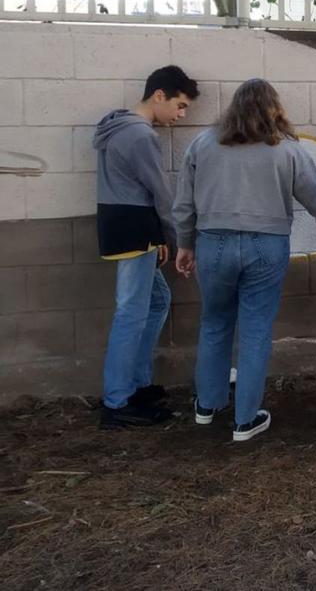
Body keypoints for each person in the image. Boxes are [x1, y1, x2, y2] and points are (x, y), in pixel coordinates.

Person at [173, 79, 316, 442]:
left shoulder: (202, 144)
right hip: (266, 246)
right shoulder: (287, 150)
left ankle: (207, 406)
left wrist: (185, 244)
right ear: (274, 109)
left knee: (214, 323)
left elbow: (184, 204)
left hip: (212, 243)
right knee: (255, 331)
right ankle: (245, 421)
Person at [94, 65, 200, 430]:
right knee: (131, 313)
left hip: (125, 225)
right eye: (181, 105)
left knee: (156, 302)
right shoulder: (140, 135)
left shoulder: (117, 125)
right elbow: (160, 192)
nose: (181, 115)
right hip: (134, 228)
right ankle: (117, 402)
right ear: (159, 95)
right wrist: (175, 238)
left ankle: (135, 386)